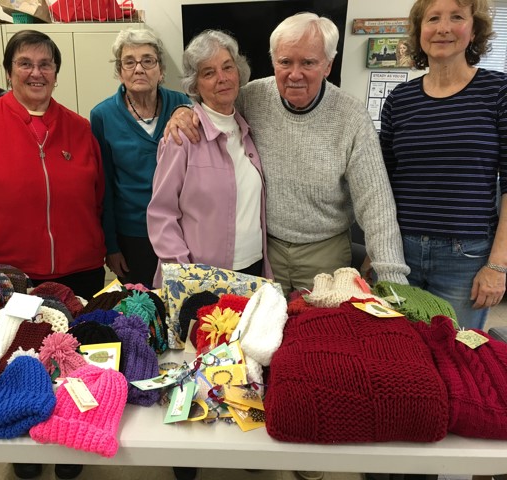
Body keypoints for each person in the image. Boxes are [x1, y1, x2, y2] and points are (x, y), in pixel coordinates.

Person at [0, 30, 105, 480]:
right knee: (13, 372)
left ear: (56, 72)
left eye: (45, 63)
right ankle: (25, 452)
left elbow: (99, 197)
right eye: (25, 63)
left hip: (79, 272)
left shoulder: (80, 129)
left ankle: (71, 447)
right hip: (5, 278)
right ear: (9, 71)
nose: (36, 72)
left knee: (74, 369)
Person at [167, 13, 409, 301]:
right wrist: (183, 111)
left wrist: (393, 283)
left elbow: (376, 205)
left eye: (308, 62)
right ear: (273, 62)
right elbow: (213, 103)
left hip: (326, 255)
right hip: (266, 254)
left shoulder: (351, 116)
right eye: (285, 62)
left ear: (328, 65)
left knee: (322, 336)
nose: (295, 74)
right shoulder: (252, 97)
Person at [380, 0, 506, 334]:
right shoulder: (399, 100)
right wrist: (378, 250)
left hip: (465, 259)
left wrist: (498, 266)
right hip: (399, 251)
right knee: (397, 349)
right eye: (433, 18)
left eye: (457, 17)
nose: (444, 28)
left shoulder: (499, 92)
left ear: (473, 29)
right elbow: (383, 184)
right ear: (420, 32)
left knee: (456, 353)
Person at [147, 29, 271, 289]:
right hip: (202, 277)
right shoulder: (182, 137)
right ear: (195, 84)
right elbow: (161, 214)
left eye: (228, 67)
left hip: (254, 269)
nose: (222, 78)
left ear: (239, 72)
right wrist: (184, 275)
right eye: (209, 72)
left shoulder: (246, 129)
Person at [90, 29, 190, 288]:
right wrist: (111, 246)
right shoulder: (103, 115)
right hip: (132, 235)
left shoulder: (183, 105)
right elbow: (105, 187)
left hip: (180, 231)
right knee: (140, 306)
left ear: (161, 69)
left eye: (148, 60)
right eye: (129, 62)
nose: (139, 69)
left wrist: (186, 108)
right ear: (119, 71)